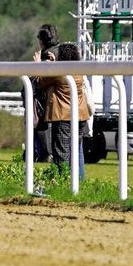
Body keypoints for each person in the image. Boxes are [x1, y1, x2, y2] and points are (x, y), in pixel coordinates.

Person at [34, 41, 92, 194]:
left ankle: (62, 184)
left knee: (61, 152)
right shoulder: (79, 71)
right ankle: (78, 184)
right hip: (80, 116)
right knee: (76, 151)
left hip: (63, 116)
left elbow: (39, 82)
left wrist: (40, 64)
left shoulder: (59, 72)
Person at [31, 23, 59, 161]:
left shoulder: (45, 55)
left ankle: (46, 153)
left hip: (46, 97)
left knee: (41, 125)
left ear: (42, 40)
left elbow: (41, 80)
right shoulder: (59, 51)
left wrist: (36, 66)